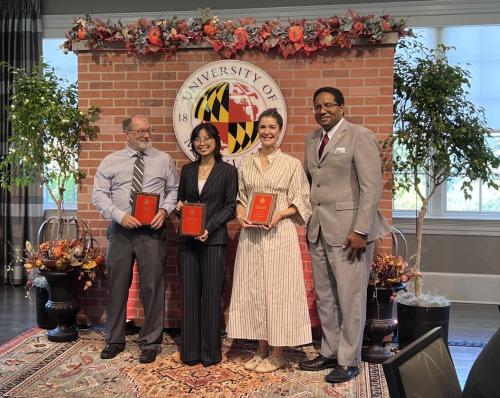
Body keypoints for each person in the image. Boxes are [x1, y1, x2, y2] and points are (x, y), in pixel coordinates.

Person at [299, 87, 388, 383]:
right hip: (320, 229)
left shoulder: (358, 136)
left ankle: (349, 359)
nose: (322, 110)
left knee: (350, 298)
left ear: (341, 107)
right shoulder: (312, 139)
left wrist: (360, 230)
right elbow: (314, 182)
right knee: (325, 296)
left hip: (351, 234)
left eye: (328, 105)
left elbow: (371, 187)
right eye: (317, 106)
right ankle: (330, 350)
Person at [227, 108, 312, 373]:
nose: (267, 132)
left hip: (279, 234)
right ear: (257, 130)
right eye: (262, 127)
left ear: (279, 130)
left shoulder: (291, 164)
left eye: (272, 127)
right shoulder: (245, 164)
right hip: (252, 235)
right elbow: (241, 197)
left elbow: (302, 200)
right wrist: (241, 214)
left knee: (278, 291)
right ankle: (261, 350)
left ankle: (278, 354)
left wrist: (279, 214)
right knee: (254, 290)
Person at [92, 114, 179, 364]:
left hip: (152, 231)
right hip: (121, 231)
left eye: (148, 131)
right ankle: (114, 340)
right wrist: (120, 215)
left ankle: (150, 342)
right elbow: (99, 195)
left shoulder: (163, 160)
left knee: (153, 287)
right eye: (140, 131)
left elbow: (173, 189)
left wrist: (164, 210)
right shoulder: (111, 161)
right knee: (117, 286)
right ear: (126, 133)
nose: (145, 135)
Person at [175, 123, 238, 367]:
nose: (202, 143)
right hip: (187, 242)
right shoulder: (187, 170)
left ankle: (210, 353)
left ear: (216, 141)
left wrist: (208, 228)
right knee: (190, 295)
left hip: (214, 241)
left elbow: (230, 207)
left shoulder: (228, 171)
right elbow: (183, 203)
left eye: (207, 138)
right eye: (197, 139)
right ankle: (190, 352)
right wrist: (179, 209)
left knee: (211, 297)